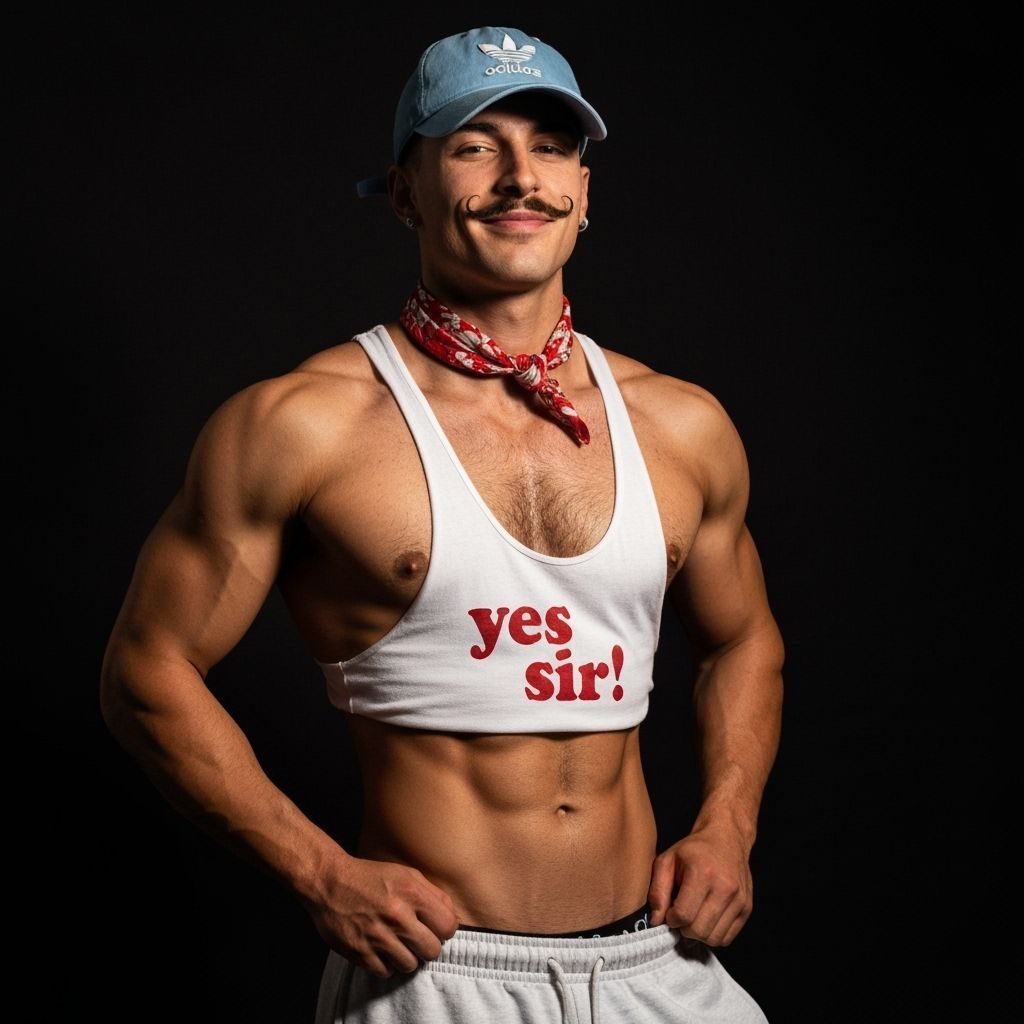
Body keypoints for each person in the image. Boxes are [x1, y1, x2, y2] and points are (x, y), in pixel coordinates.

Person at [100, 24, 784, 1023]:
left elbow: (742, 638)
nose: (521, 177)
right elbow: (143, 669)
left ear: (584, 191)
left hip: (657, 961)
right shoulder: (302, 424)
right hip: (440, 976)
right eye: (473, 145)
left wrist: (727, 827)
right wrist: (319, 870)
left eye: (551, 146)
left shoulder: (683, 424)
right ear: (408, 189)